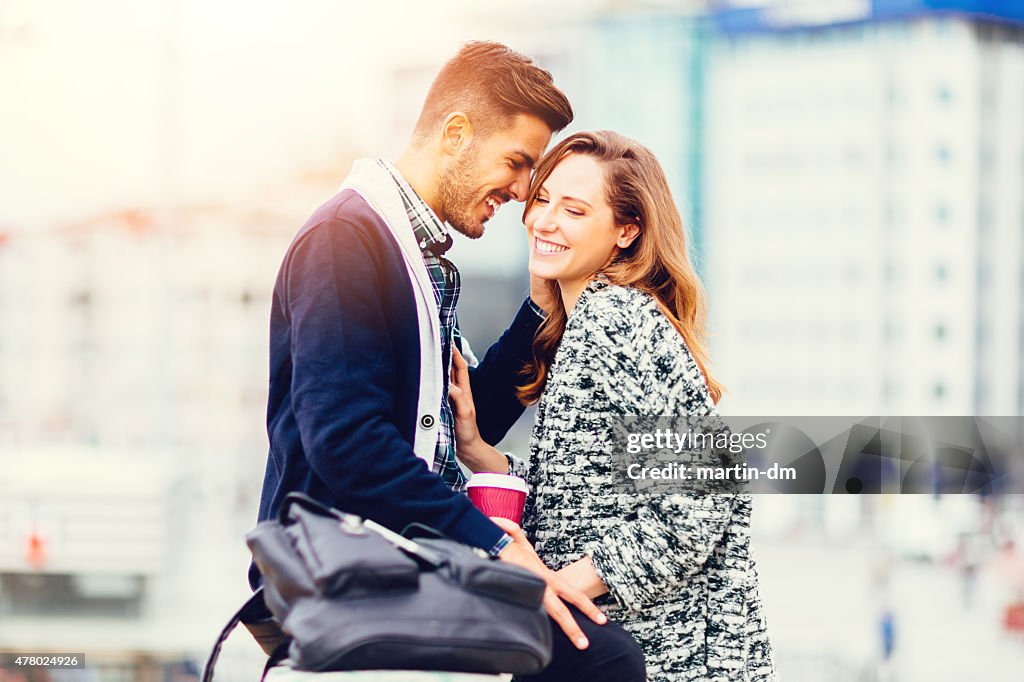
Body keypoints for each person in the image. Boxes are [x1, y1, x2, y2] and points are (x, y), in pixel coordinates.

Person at [253, 41, 632, 674]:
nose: (520, 193)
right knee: (600, 658)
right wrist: (491, 547)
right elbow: (347, 444)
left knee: (591, 646)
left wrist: (538, 315)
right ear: (456, 134)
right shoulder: (345, 241)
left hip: (392, 556)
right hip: (340, 573)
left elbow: (456, 427)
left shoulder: (413, 253)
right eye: (516, 164)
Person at [451, 131, 777, 681]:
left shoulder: (615, 321)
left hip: (666, 656)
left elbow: (698, 501)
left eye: (574, 210)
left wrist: (558, 587)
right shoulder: (588, 322)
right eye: (544, 199)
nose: (545, 221)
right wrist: (483, 455)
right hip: (626, 646)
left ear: (627, 232)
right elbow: (589, 493)